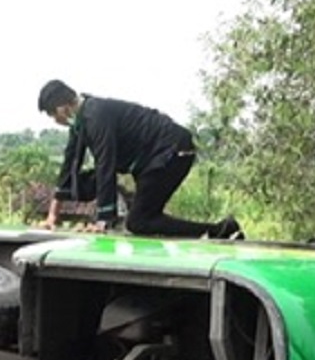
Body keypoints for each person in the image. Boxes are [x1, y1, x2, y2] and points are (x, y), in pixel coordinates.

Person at [37, 79, 245, 240]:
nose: (56, 121)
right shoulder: (81, 123)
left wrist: (102, 221)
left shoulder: (96, 114)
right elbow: (69, 164)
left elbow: (105, 164)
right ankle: (119, 210)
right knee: (81, 184)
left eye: (53, 115)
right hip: (149, 161)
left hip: (172, 151)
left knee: (139, 222)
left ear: (63, 107)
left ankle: (220, 230)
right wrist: (52, 217)